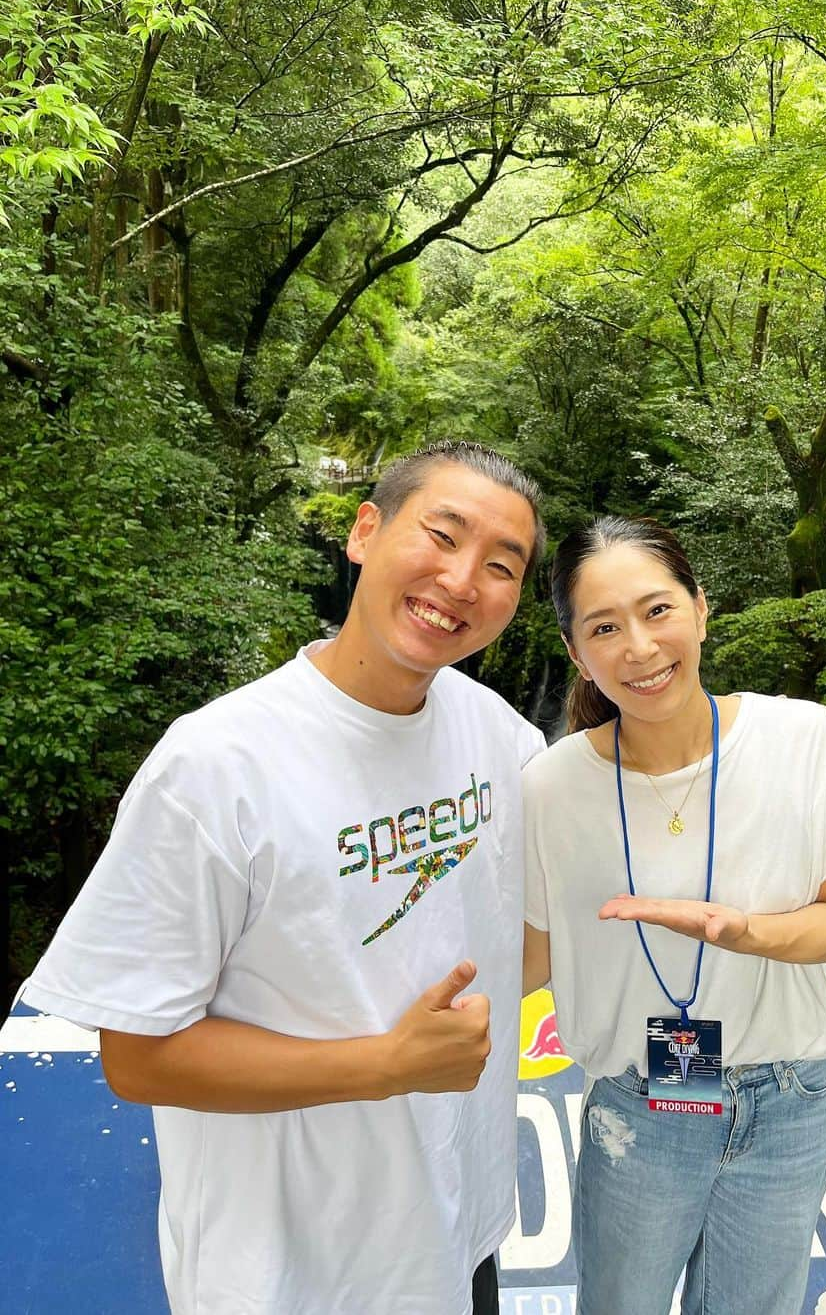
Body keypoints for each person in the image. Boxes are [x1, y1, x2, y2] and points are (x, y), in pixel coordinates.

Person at [16, 441, 548, 1315]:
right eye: (442, 535)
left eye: (500, 566)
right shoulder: (215, 765)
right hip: (290, 1277)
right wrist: (387, 1063)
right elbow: (140, 1058)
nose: (461, 581)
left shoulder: (496, 734)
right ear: (365, 531)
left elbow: (514, 918)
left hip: (457, 1238)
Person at [521, 516, 826, 1315]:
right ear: (577, 653)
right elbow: (531, 956)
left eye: (657, 611)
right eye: (604, 627)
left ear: (701, 609)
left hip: (788, 1103)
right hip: (640, 1112)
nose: (639, 648)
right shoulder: (550, 788)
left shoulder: (800, 737)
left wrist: (747, 932)